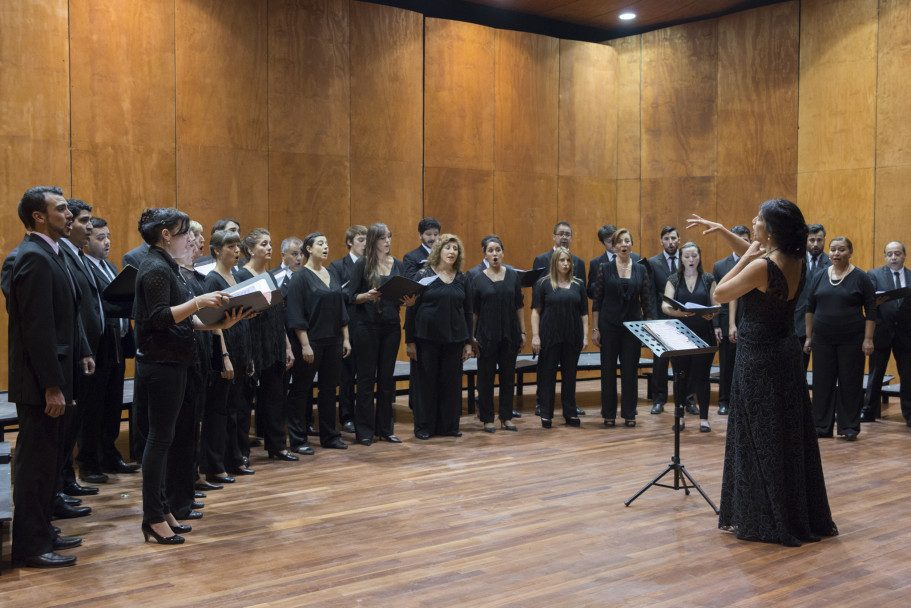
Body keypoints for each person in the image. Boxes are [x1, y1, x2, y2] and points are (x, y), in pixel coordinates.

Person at [689, 199, 838, 547]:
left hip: (758, 356)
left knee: (758, 435)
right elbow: (761, 257)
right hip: (784, 351)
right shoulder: (794, 258)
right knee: (783, 433)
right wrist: (728, 233)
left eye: (758, 220)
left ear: (770, 231)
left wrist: (740, 257)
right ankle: (791, 510)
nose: (752, 222)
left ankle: (763, 515)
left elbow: (720, 291)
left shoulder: (761, 267)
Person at [132, 207, 249, 545]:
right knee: (159, 442)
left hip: (175, 361)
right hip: (160, 365)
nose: (190, 239)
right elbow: (158, 318)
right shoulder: (154, 267)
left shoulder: (168, 267)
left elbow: (185, 320)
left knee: (166, 440)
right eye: (185, 233)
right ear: (166, 235)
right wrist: (199, 301)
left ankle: (163, 508)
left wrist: (218, 323)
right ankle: (153, 516)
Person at [8, 186, 92, 568]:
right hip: (42, 384)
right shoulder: (33, 257)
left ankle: (44, 531)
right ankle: (30, 546)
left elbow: (65, 317)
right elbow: (37, 330)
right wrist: (52, 386)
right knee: (36, 467)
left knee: (49, 463)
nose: (69, 214)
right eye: (60, 209)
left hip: (57, 377)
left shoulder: (51, 253)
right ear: (39, 217)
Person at [78, 217, 139, 481]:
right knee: (93, 407)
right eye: (100, 237)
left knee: (113, 404)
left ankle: (110, 454)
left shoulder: (111, 267)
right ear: (87, 241)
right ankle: (89, 462)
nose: (107, 242)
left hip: (117, 343)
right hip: (98, 346)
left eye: (109, 236)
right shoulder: (83, 268)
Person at [347, 223, 415, 445]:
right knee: (366, 379)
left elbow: (403, 294)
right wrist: (365, 296)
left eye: (390, 236)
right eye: (383, 237)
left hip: (391, 326)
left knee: (387, 379)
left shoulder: (398, 264)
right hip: (366, 325)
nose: (388, 241)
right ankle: (365, 431)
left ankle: (386, 429)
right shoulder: (362, 264)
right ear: (374, 240)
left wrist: (409, 301)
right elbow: (349, 296)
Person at [57, 199, 103, 516]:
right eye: (83, 220)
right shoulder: (60, 256)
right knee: (63, 428)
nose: (89, 226)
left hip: (87, 350)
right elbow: (71, 314)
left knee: (73, 426)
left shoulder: (79, 257)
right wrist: (84, 348)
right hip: (70, 354)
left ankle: (65, 482)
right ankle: (58, 488)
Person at [804, 236, 875, 441]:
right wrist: (809, 337)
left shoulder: (861, 277)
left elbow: (871, 310)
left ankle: (849, 427)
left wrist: (868, 339)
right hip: (822, 339)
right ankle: (821, 426)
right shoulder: (819, 276)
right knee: (822, 383)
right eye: (833, 250)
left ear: (850, 252)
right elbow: (810, 308)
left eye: (841, 250)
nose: (836, 253)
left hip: (852, 340)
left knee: (850, 383)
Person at [235, 229, 297, 460]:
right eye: (264, 244)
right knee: (245, 399)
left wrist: (288, 345)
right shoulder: (241, 276)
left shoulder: (270, 276)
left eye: (270, 243)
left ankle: (278, 446)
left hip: (273, 341)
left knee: (275, 396)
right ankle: (241, 452)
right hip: (251, 341)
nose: (269, 248)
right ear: (250, 250)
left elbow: (277, 314)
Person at [201, 230, 257, 486]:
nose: (237, 251)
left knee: (235, 409)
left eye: (238, 247)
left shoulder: (235, 277)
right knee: (219, 411)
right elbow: (214, 324)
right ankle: (215, 465)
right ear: (216, 251)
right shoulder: (212, 280)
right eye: (231, 247)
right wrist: (224, 356)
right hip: (225, 350)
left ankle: (235, 458)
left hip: (241, 347)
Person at [286, 232, 351, 450]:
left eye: (327, 243)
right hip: (311, 341)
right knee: (301, 390)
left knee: (329, 389)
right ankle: (297, 439)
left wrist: (346, 339)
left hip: (333, 341)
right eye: (320, 244)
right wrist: (304, 345)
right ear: (308, 249)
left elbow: (341, 308)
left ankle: (330, 436)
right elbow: (295, 314)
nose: (326, 247)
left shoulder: (331, 273)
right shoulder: (300, 277)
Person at [406, 234, 474, 439]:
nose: (452, 252)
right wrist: (410, 341)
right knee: (426, 384)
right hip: (426, 339)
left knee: (451, 384)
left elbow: (468, 311)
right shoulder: (423, 275)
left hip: (454, 340)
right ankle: (424, 427)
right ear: (438, 251)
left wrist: (468, 342)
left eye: (455, 248)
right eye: (448, 248)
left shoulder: (462, 278)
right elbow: (411, 309)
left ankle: (449, 426)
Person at [591, 228, 652, 428]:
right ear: (614, 246)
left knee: (630, 371)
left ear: (631, 245)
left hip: (633, 327)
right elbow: (597, 302)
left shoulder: (641, 269)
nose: (624, 244)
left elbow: (647, 302)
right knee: (608, 371)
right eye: (620, 242)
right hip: (608, 326)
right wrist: (595, 329)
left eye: (627, 241)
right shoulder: (604, 268)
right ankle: (608, 413)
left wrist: (648, 330)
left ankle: (629, 413)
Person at [470, 235, 526, 433]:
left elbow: (519, 305)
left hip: (510, 334)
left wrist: (523, 331)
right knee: (485, 378)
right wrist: (472, 336)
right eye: (490, 251)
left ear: (503, 252)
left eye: (498, 250)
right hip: (486, 335)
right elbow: (474, 311)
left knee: (508, 377)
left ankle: (506, 417)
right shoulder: (478, 278)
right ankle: (487, 419)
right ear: (485, 254)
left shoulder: (512, 275)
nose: (495, 254)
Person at [660, 242, 718, 432]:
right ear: (681, 259)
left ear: (699, 257)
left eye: (694, 256)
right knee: (680, 376)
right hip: (680, 334)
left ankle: (704, 419)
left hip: (703, 334)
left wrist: (713, 314)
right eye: (687, 256)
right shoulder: (674, 279)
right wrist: (679, 314)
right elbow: (665, 306)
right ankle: (680, 417)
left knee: (702, 377)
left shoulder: (708, 278)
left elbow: (716, 304)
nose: (691, 260)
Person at [531, 247, 589, 428]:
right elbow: (535, 312)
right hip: (550, 336)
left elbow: (584, 314)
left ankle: (570, 413)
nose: (565, 264)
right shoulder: (543, 283)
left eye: (568, 261)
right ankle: (546, 413)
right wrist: (535, 336)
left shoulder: (578, 284)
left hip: (572, 335)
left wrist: (585, 336)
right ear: (555, 262)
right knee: (547, 376)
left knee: (570, 376)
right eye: (562, 260)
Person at [863, 241, 911, 424]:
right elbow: (869, 303)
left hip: (906, 334)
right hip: (882, 332)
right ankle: (868, 412)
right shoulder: (874, 275)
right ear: (884, 256)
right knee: (875, 375)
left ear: (904, 255)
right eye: (889, 254)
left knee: (907, 376)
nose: (893, 257)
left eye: (897, 253)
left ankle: (909, 414)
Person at [330, 225, 367, 435]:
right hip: (346, 324)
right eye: (361, 240)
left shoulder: (371, 265)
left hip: (367, 323)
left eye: (366, 240)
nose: (365, 244)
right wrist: (353, 293)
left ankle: (363, 415)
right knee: (346, 374)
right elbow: (335, 293)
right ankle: (346, 416)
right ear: (350, 242)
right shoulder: (337, 266)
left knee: (365, 373)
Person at [712, 225, 751, 416]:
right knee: (727, 364)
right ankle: (724, 401)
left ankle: (742, 402)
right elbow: (717, 299)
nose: (741, 243)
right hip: (729, 321)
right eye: (737, 239)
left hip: (750, 319)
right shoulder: (720, 266)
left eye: (745, 239)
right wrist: (717, 324)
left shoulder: (756, 263)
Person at [647, 226, 680, 414]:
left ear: (679, 239)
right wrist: (652, 320)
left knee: (682, 363)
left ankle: (685, 399)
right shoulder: (652, 263)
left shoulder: (687, 260)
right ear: (661, 241)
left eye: (673, 238)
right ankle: (659, 400)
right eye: (666, 238)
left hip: (682, 319)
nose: (670, 242)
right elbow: (650, 293)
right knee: (659, 362)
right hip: (660, 320)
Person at [794, 224, 830, 370]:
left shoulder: (832, 262)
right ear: (806, 240)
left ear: (824, 240)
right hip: (798, 321)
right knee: (798, 367)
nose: (815, 244)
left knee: (824, 369)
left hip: (824, 321)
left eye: (819, 240)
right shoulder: (796, 260)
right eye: (812, 240)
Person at [587, 224, 641, 297]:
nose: (613, 243)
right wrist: (602, 282)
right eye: (609, 241)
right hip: (608, 305)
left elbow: (646, 285)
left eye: (616, 239)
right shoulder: (595, 263)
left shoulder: (635, 258)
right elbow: (590, 293)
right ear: (603, 243)